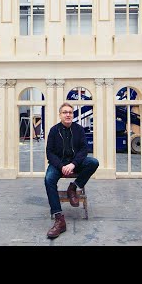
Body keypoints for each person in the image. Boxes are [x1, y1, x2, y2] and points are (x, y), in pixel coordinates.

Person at [44, 102, 99, 239]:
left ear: (72, 115)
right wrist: (61, 166)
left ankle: (73, 187)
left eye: (70, 112)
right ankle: (59, 219)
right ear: (60, 115)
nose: (68, 114)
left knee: (93, 162)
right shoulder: (54, 130)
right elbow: (49, 153)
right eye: (65, 112)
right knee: (49, 179)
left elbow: (84, 149)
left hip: (75, 163)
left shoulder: (79, 129)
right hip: (59, 165)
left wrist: (73, 164)